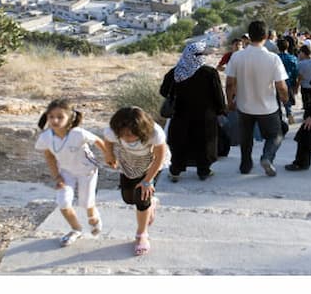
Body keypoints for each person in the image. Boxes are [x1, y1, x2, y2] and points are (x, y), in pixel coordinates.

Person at [35, 99, 107, 247]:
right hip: (66, 172)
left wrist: (109, 156)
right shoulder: (46, 137)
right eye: (51, 116)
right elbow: (49, 156)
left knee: (86, 203)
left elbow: (99, 141)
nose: (55, 120)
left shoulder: (78, 133)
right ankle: (76, 229)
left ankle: (93, 215)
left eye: (60, 117)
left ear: (69, 118)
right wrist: (57, 176)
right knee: (63, 202)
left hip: (87, 171)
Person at [225, 20, 289, 177]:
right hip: (267, 107)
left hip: (244, 105)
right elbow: (281, 86)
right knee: (276, 134)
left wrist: (230, 102)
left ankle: (245, 165)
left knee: (246, 137)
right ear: (266, 36)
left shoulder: (237, 57)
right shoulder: (273, 58)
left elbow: (229, 83)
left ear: (249, 35)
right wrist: (285, 98)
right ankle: (267, 157)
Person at [103, 107, 170, 256]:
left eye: (132, 134)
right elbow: (108, 141)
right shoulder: (113, 130)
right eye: (123, 134)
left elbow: (159, 157)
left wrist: (147, 181)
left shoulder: (155, 133)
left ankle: (142, 235)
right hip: (129, 161)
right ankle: (151, 203)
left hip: (151, 162)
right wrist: (110, 156)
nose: (127, 137)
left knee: (141, 196)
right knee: (128, 199)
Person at [160, 41, 226, 182]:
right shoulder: (209, 73)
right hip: (205, 117)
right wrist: (221, 110)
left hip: (181, 116)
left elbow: (164, 91)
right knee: (204, 144)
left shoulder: (176, 72)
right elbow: (218, 95)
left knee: (180, 144)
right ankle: (203, 171)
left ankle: (175, 171)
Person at [276, 38, 299, 125]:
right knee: (287, 100)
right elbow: (296, 72)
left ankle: (279, 119)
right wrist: (295, 84)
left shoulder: (275, 58)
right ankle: (289, 114)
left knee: (277, 101)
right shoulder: (293, 58)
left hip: (276, 82)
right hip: (288, 81)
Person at [295, 44, 311, 118]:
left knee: (306, 103)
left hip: (305, 86)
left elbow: (300, 77)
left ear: (303, 53)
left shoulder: (301, 64)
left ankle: (307, 116)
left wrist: (297, 87)